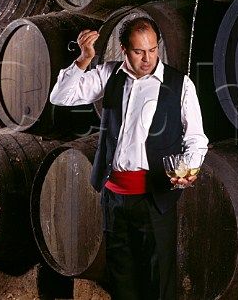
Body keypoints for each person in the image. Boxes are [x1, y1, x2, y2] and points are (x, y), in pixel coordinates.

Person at [49, 17, 208, 300]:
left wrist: (190, 166)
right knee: (122, 283)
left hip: (154, 198)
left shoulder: (180, 84)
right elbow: (61, 96)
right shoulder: (109, 74)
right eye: (138, 51)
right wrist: (85, 58)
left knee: (159, 286)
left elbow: (196, 139)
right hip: (114, 198)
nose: (147, 59)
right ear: (123, 49)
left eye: (152, 50)